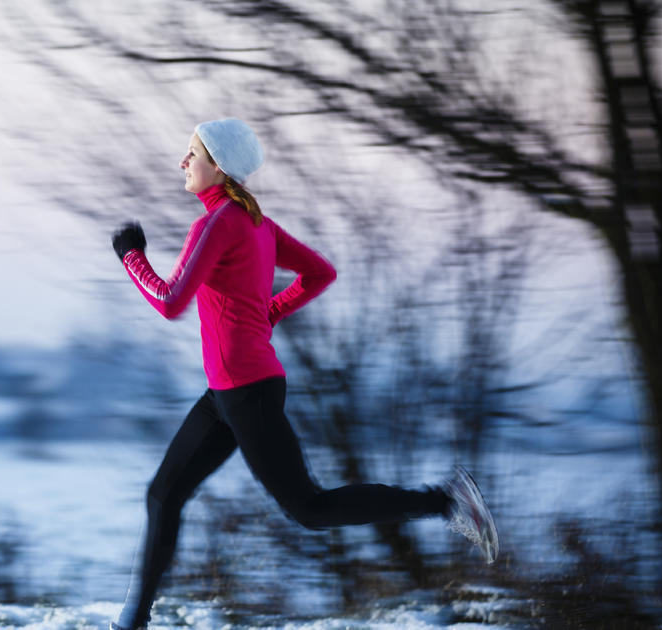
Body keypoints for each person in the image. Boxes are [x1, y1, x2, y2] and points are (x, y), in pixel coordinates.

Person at [108, 118, 498, 630]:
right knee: (163, 493)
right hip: (229, 393)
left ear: (219, 167)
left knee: (310, 508)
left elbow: (171, 301)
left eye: (192, 154)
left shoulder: (218, 222)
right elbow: (321, 274)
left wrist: (132, 257)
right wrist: (267, 313)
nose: (183, 163)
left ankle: (447, 500)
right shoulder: (257, 225)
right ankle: (131, 622)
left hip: (245, 391)